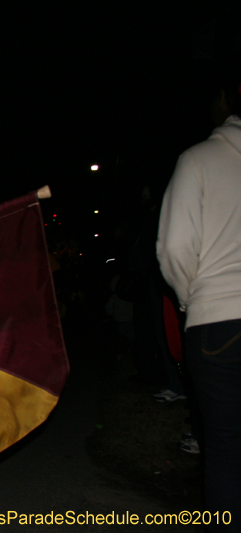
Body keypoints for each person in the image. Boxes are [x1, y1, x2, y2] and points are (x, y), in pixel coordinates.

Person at [156, 72, 240, 530]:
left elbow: (174, 247)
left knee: (225, 447)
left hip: (219, 321)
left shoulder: (198, 159)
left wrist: (192, 301)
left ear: (225, 99)